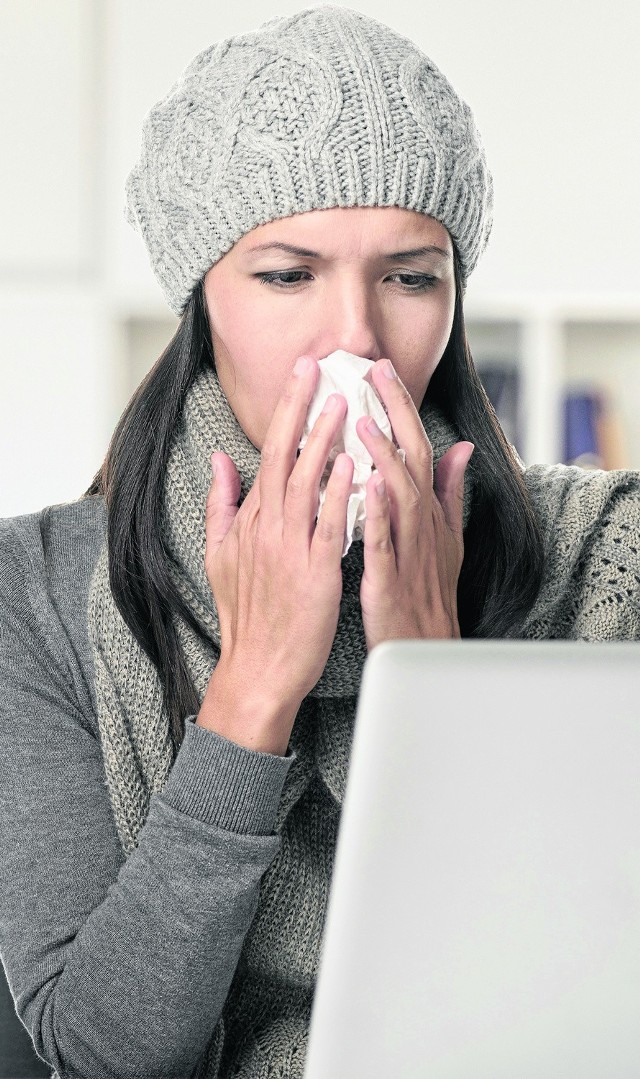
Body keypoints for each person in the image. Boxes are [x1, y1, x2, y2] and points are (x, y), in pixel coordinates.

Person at [1, 6, 639, 1078]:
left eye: (408, 275)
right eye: (287, 274)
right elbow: (101, 1051)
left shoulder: (606, 558)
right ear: (201, 297)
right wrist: (252, 691)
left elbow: (571, 1004)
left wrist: (431, 687)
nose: (353, 335)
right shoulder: (38, 591)